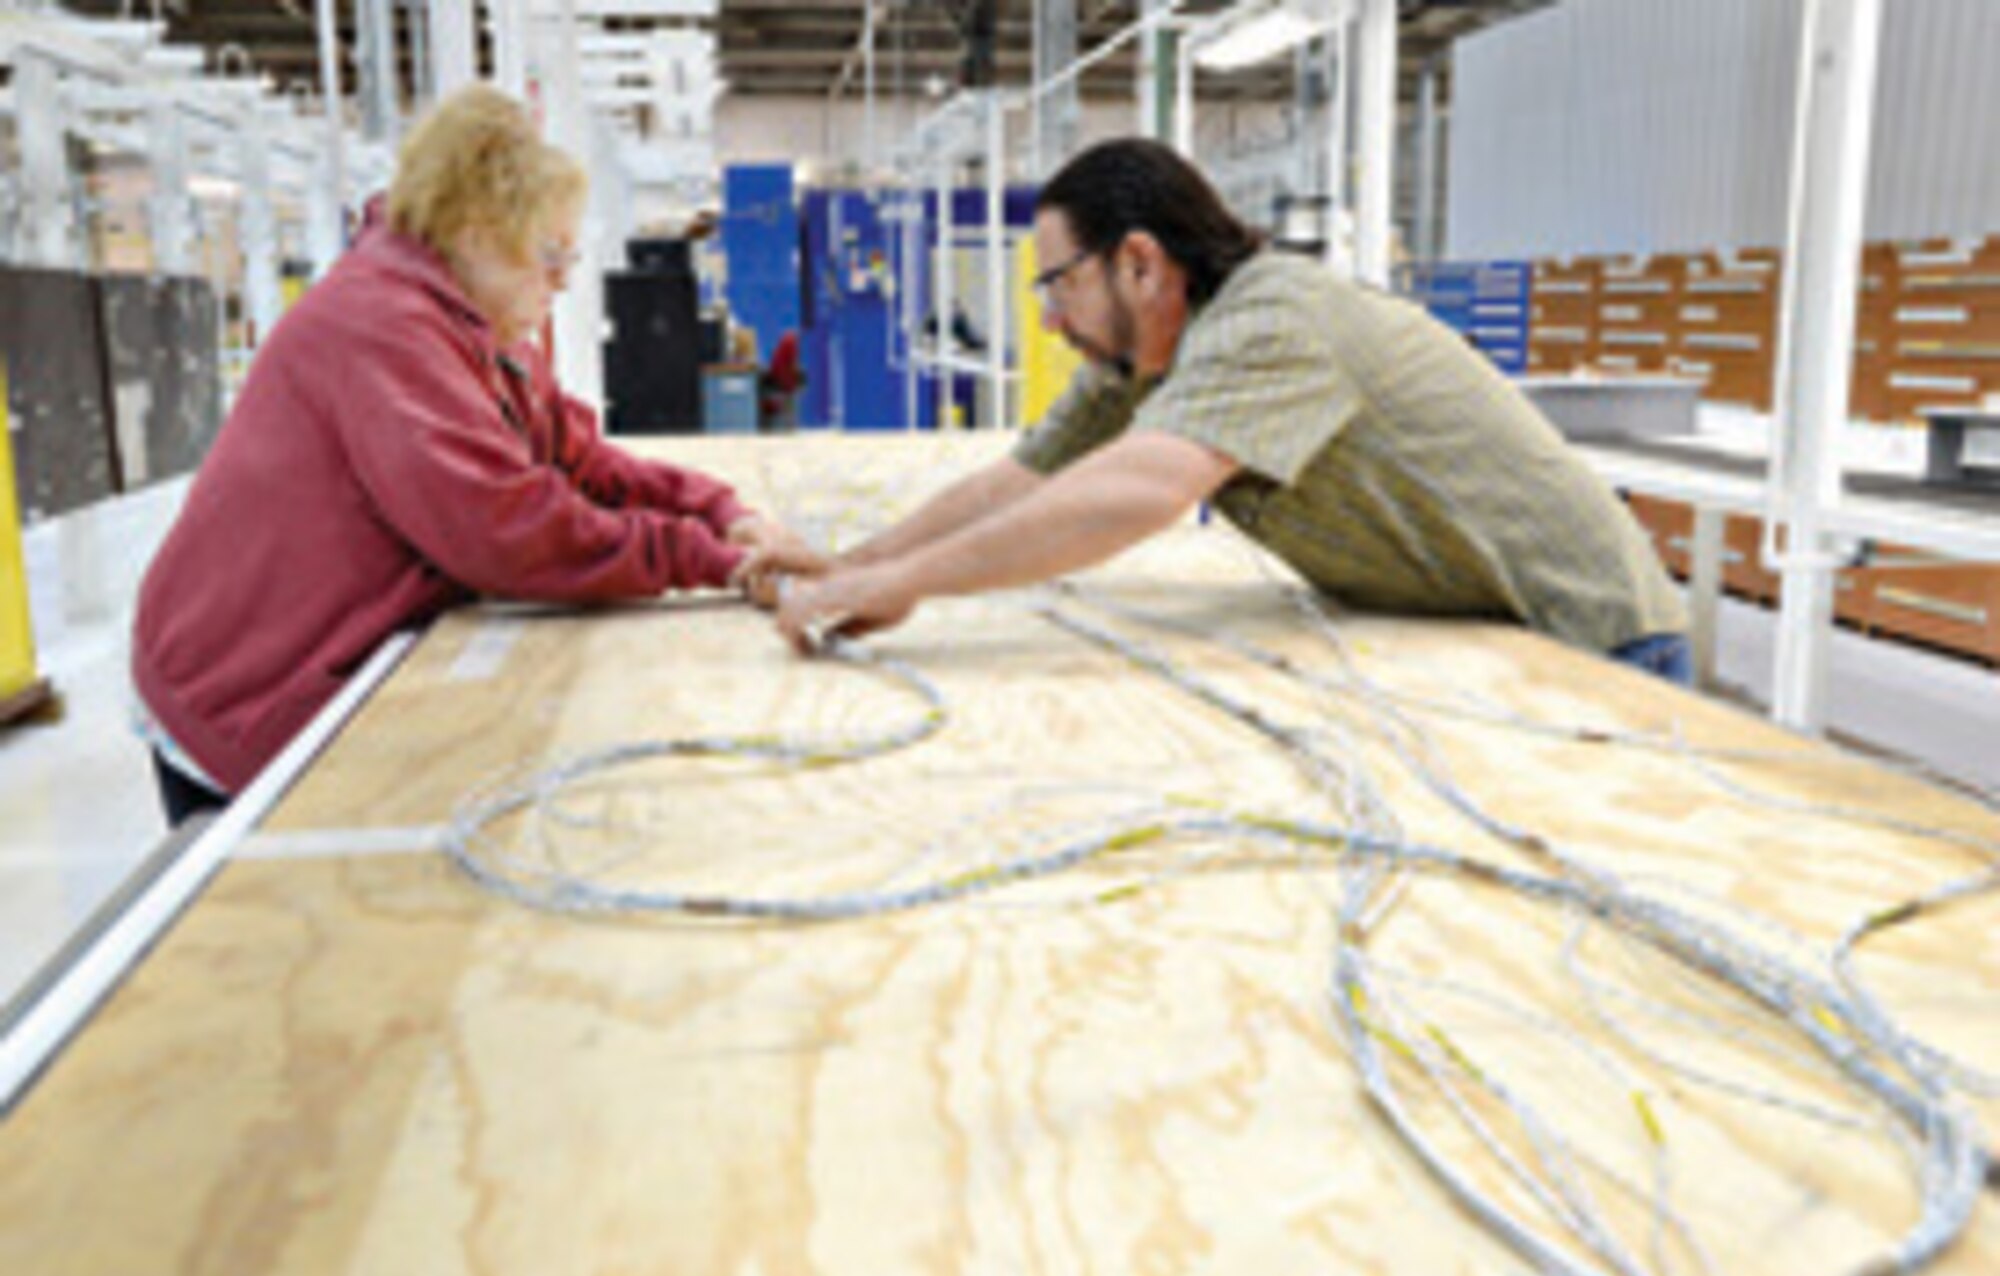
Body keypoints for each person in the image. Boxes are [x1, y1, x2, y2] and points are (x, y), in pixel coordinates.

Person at [133, 85, 821, 826]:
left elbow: (582, 463)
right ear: (472, 232)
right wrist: (706, 560)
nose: (563, 278)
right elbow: (509, 531)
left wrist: (721, 512)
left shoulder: (480, 332)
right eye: (549, 253)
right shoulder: (381, 327)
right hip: (245, 686)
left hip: (310, 654)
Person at [775, 138, 1690, 686]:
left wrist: (910, 584)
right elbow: (1012, 485)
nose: (1048, 320)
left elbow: (1135, 492)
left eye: (1059, 284)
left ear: (1140, 263)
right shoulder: (1141, 360)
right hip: (1478, 637)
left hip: (1595, 638)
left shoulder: (1272, 316)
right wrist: (854, 567)